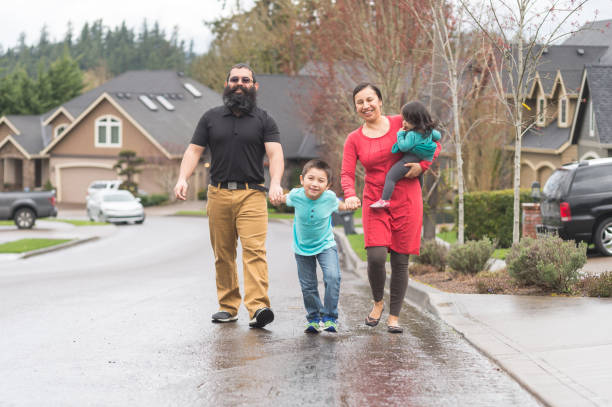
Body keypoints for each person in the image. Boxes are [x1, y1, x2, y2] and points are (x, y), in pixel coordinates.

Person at [174, 63, 284, 329]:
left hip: (252, 194)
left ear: (254, 86)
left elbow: (275, 153)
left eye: (245, 80)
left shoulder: (264, 119)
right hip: (218, 194)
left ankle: (258, 307)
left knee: (254, 251)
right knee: (223, 253)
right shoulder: (210, 118)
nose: (239, 83)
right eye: (234, 79)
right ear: (227, 84)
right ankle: (228, 306)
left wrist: (276, 183)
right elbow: (193, 151)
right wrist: (182, 178)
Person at [341, 83, 441, 334]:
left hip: (407, 199)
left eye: (370, 100)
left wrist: (424, 166)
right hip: (375, 200)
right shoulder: (354, 139)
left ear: (381, 101)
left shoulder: (401, 122)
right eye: (360, 102)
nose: (366, 106)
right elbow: (346, 173)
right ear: (355, 107)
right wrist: (351, 194)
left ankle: (394, 316)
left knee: (400, 260)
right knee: (375, 257)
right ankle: (378, 302)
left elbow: (434, 141)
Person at [276, 159, 350, 334]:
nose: (315, 184)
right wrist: (278, 198)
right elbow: (285, 198)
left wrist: (350, 203)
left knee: (332, 277)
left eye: (321, 180)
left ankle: (330, 318)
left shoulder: (330, 198)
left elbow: (342, 206)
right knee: (308, 285)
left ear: (328, 185)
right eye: (311, 178)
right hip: (302, 248)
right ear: (302, 180)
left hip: (326, 244)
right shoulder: (296, 195)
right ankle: (314, 318)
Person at [370, 101, 441, 209]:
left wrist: (400, 134)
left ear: (415, 121)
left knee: (391, 176)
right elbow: (438, 136)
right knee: (419, 178)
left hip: (409, 159)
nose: (403, 123)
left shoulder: (412, 134)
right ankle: (419, 197)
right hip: (421, 160)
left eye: (406, 121)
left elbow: (403, 146)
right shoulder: (428, 131)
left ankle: (384, 200)